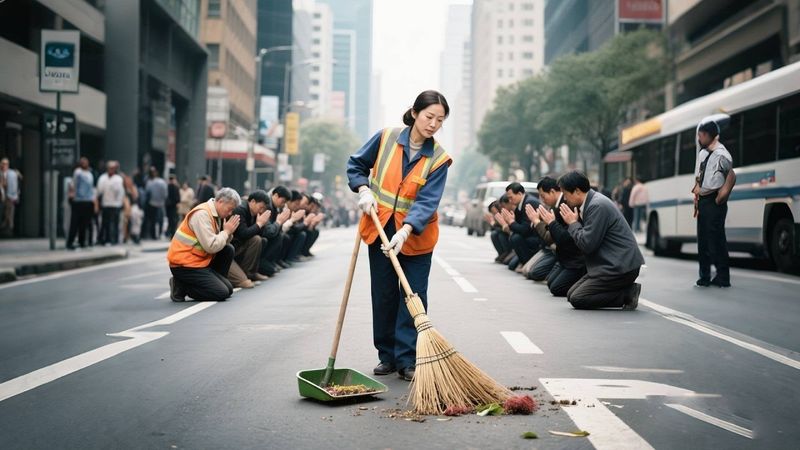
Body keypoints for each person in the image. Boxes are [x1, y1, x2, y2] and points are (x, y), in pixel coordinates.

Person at [347, 90, 452, 382]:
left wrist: (406, 230)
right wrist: (363, 189)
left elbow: (427, 201)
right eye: (429, 116)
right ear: (415, 112)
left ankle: (408, 358)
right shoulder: (386, 138)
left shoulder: (439, 159)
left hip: (416, 236)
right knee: (384, 294)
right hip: (379, 228)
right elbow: (355, 164)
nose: (433, 124)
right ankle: (387, 356)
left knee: (413, 295)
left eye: (439, 120)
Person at [557, 171, 644, 310]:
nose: (565, 199)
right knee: (571, 294)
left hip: (620, 267)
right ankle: (623, 291)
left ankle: (627, 294)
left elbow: (587, 244)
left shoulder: (596, 205)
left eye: (565, 194)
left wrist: (573, 224)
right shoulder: (591, 203)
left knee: (578, 298)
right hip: (608, 265)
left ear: (577, 191)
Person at [167, 187, 241, 302]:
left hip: (199, 262)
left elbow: (219, 243)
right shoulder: (202, 214)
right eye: (229, 209)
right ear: (220, 201)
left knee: (228, 287)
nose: (230, 213)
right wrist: (226, 232)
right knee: (221, 292)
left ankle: (214, 282)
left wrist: (228, 233)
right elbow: (211, 246)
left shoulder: (216, 214)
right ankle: (181, 286)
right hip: (184, 265)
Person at [692, 119, 734, 288]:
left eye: (701, 135)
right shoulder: (702, 154)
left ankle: (723, 277)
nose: (699, 139)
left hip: (714, 201)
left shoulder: (723, 155)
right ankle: (705, 276)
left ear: (709, 135)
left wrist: (720, 197)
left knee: (716, 240)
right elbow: (698, 175)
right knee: (702, 241)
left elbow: (730, 177)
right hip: (702, 201)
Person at [530, 176, 586, 297]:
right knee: (551, 283)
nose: (542, 200)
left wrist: (548, 223)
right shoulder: (557, 206)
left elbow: (564, 238)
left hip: (576, 259)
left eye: (543, 196)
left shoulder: (566, 205)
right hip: (563, 256)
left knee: (557, 288)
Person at [228, 190, 271, 289]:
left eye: (264, 208)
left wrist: (262, 224)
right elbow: (243, 234)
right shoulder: (240, 210)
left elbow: (262, 234)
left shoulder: (255, 213)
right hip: (230, 248)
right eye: (261, 207)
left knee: (261, 240)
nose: (261, 210)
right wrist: (259, 224)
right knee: (256, 239)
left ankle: (250, 273)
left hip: (240, 245)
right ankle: (243, 275)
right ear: (252, 202)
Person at [501, 182, 542, 268]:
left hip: (536, 239)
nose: (510, 201)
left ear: (519, 193)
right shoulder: (521, 203)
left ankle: (527, 264)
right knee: (511, 265)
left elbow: (525, 230)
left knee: (516, 238)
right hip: (528, 238)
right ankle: (524, 262)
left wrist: (511, 222)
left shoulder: (529, 203)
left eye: (511, 197)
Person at [66, 157, 96, 250]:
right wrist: (72, 195)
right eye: (82, 162)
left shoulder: (90, 174)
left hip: (87, 200)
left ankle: (82, 241)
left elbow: (91, 188)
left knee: (84, 223)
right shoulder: (78, 172)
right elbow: (74, 184)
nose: (84, 163)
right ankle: (70, 242)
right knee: (75, 223)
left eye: (86, 162)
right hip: (78, 200)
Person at [96, 160, 125, 245]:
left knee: (115, 223)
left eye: (113, 168)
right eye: (109, 168)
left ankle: (114, 240)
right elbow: (99, 191)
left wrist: (121, 203)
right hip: (106, 204)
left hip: (116, 204)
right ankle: (105, 239)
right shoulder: (102, 178)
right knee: (105, 223)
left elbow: (121, 192)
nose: (111, 169)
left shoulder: (118, 179)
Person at [144, 167, 168, 239]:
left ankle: (154, 235)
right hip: (160, 203)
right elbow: (165, 194)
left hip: (152, 203)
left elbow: (147, 193)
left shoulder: (149, 182)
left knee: (153, 220)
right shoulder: (162, 182)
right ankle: (159, 234)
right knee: (159, 220)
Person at [0, 158, 20, 237]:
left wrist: (16, 195)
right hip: (1, 196)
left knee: (9, 213)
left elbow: (17, 184)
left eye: (5, 164)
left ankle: (8, 230)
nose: (4, 166)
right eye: (2, 164)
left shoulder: (12, 173)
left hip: (9, 196)